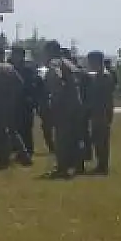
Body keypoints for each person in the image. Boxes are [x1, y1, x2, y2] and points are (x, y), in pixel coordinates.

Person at [42, 42, 85, 178]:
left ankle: (62, 168)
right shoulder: (68, 62)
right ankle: (79, 165)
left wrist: (55, 99)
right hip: (76, 103)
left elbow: (57, 79)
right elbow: (81, 75)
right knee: (74, 137)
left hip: (63, 105)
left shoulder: (55, 63)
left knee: (61, 138)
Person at [82, 50, 117, 174]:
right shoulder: (97, 76)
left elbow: (107, 97)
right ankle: (100, 164)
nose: (90, 64)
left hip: (102, 111)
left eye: (91, 61)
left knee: (102, 139)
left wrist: (108, 113)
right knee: (97, 139)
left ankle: (103, 165)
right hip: (96, 111)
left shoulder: (105, 76)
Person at [11, 46, 42, 165]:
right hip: (14, 102)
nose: (14, 57)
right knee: (16, 128)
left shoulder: (28, 70)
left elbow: (35, 85)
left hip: (25, 103)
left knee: (26, 128)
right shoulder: (11, 68)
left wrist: (32, 99)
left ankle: (28, 151)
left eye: (16, 54)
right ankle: (20, 151)